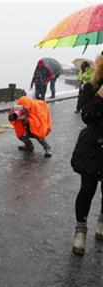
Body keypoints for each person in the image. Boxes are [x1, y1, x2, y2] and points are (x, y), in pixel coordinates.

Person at [70, 54, 103, 255]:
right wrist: (100, 97)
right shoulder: (92, 86)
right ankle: (80, 230)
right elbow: (87, 116)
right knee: (87, 189)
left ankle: (102, 219)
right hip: (92, 147)